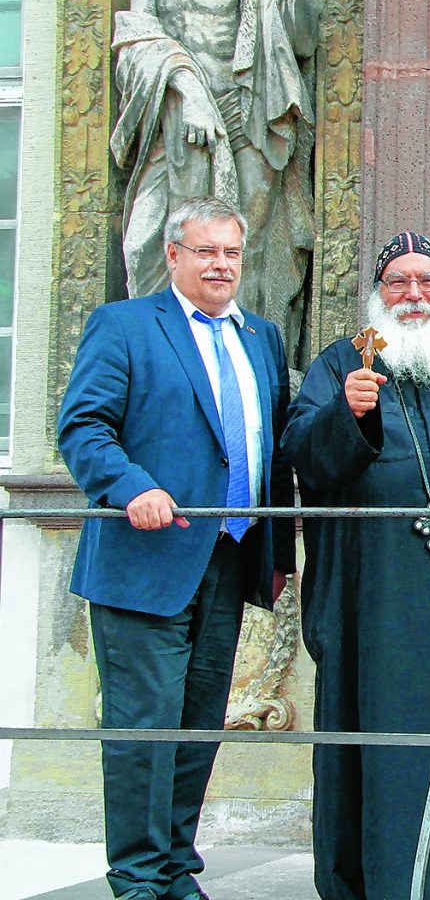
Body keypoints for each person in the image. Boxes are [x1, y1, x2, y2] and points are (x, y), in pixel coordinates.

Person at [57, 198, 296, 900]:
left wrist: (277, 553)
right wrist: (132, 486)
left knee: (198, 725)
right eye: (205, 251)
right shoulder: (125, 325)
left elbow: (272, 451)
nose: (221, 265)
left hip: (230, 557)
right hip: (145, 559)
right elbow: (83, 426)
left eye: (232, 253)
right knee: (144, 727)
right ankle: (136, 878)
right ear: (173, 255)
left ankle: (173, 869)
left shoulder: (262, 337)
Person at [281, 233, 430, 900]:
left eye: (428, 281)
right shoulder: (342, 361)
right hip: (372, 599)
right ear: (377, 294)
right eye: (398, 282)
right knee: (377, 747)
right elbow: (301, 454)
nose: (414, 295)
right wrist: (345, 413)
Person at [111, 0, 318, 348]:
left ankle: (249, 353)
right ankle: (159, 351)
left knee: (249, 247)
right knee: (143, 245)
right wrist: (188, 89)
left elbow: (303, 38)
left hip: (249, 106)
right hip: (177, 107)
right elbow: (136, 34)